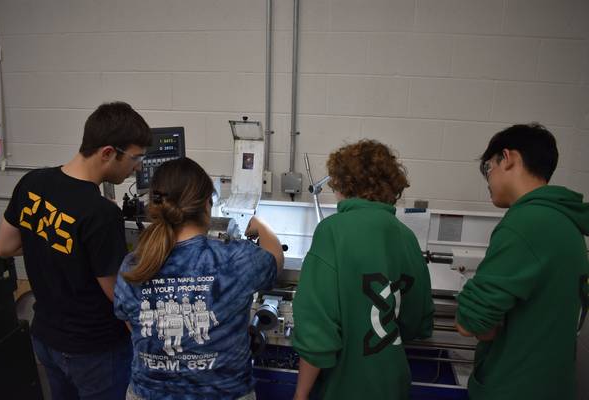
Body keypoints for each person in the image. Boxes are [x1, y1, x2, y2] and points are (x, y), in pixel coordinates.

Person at [0, 101, 152, 400]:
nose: (137, 168)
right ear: (108, 153)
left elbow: (5, 247)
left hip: (46, 338)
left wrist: (57, 247)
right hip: (94, 351)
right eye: (135, 158)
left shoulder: (33, 182)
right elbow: (118, 294)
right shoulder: (100, 214)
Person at [113, 157, 284, 400]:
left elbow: (133, 323)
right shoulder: (236, 259)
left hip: (150, 393)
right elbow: (275, 259)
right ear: (207, 205)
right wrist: (262, 225)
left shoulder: (133, 264)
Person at [292, 139, 435, 400]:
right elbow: (417, 323)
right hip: (394, 386)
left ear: (342, 182)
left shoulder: (332, 231)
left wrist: (301, 395)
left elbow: (316, 334)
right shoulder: (407, 237)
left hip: (345, 387)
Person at [455, 123, 589, 400]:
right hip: (550, 383)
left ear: (508, 159)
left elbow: (472, 324)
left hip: (515, 386)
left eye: (487, 168)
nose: (487, 180)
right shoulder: (565, 221)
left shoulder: (526, 223)